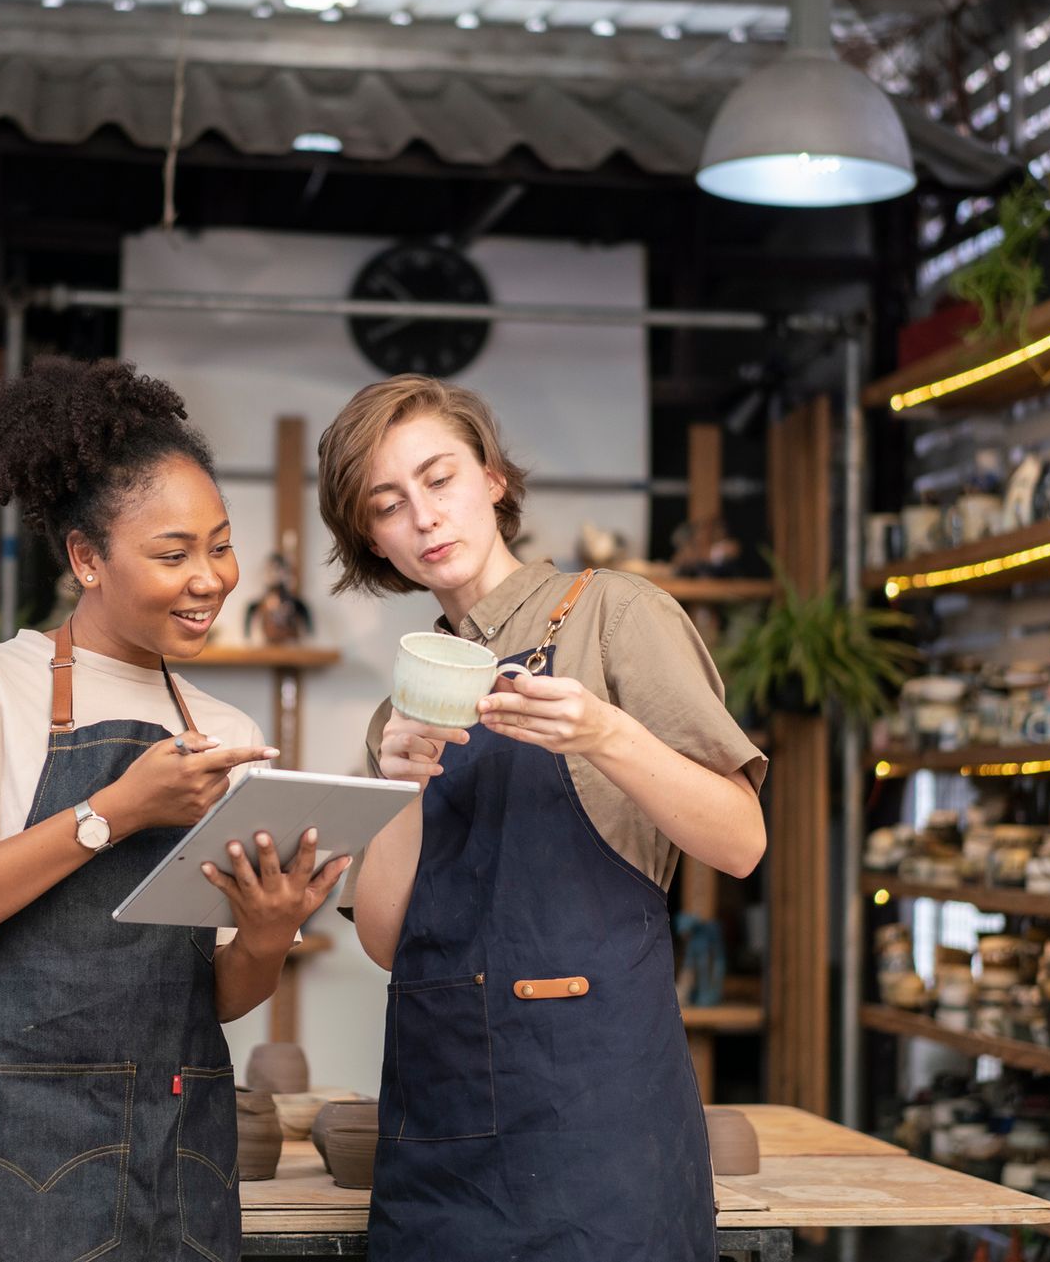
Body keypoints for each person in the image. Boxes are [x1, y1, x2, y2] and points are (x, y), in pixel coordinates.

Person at [0, 356, 348, 1262]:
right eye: (172, 554)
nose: (210, 577)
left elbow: (215, 997)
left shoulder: (224, 728)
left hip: (180, 1150)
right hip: (9, 1153)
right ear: (87, 559)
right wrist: (112, 812)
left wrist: (269, 933)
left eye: (220, 542)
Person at [317, 374, 768, 1261]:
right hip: (439, 1131)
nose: (424, 517)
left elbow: (742, 841)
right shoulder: (398, 711)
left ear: (491, 477)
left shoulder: (615, 615)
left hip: (597, 1130)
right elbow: (383, 939)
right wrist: (401, 782)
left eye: (439, 478)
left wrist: (604, 731)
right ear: (372, 536)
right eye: (389, 504)